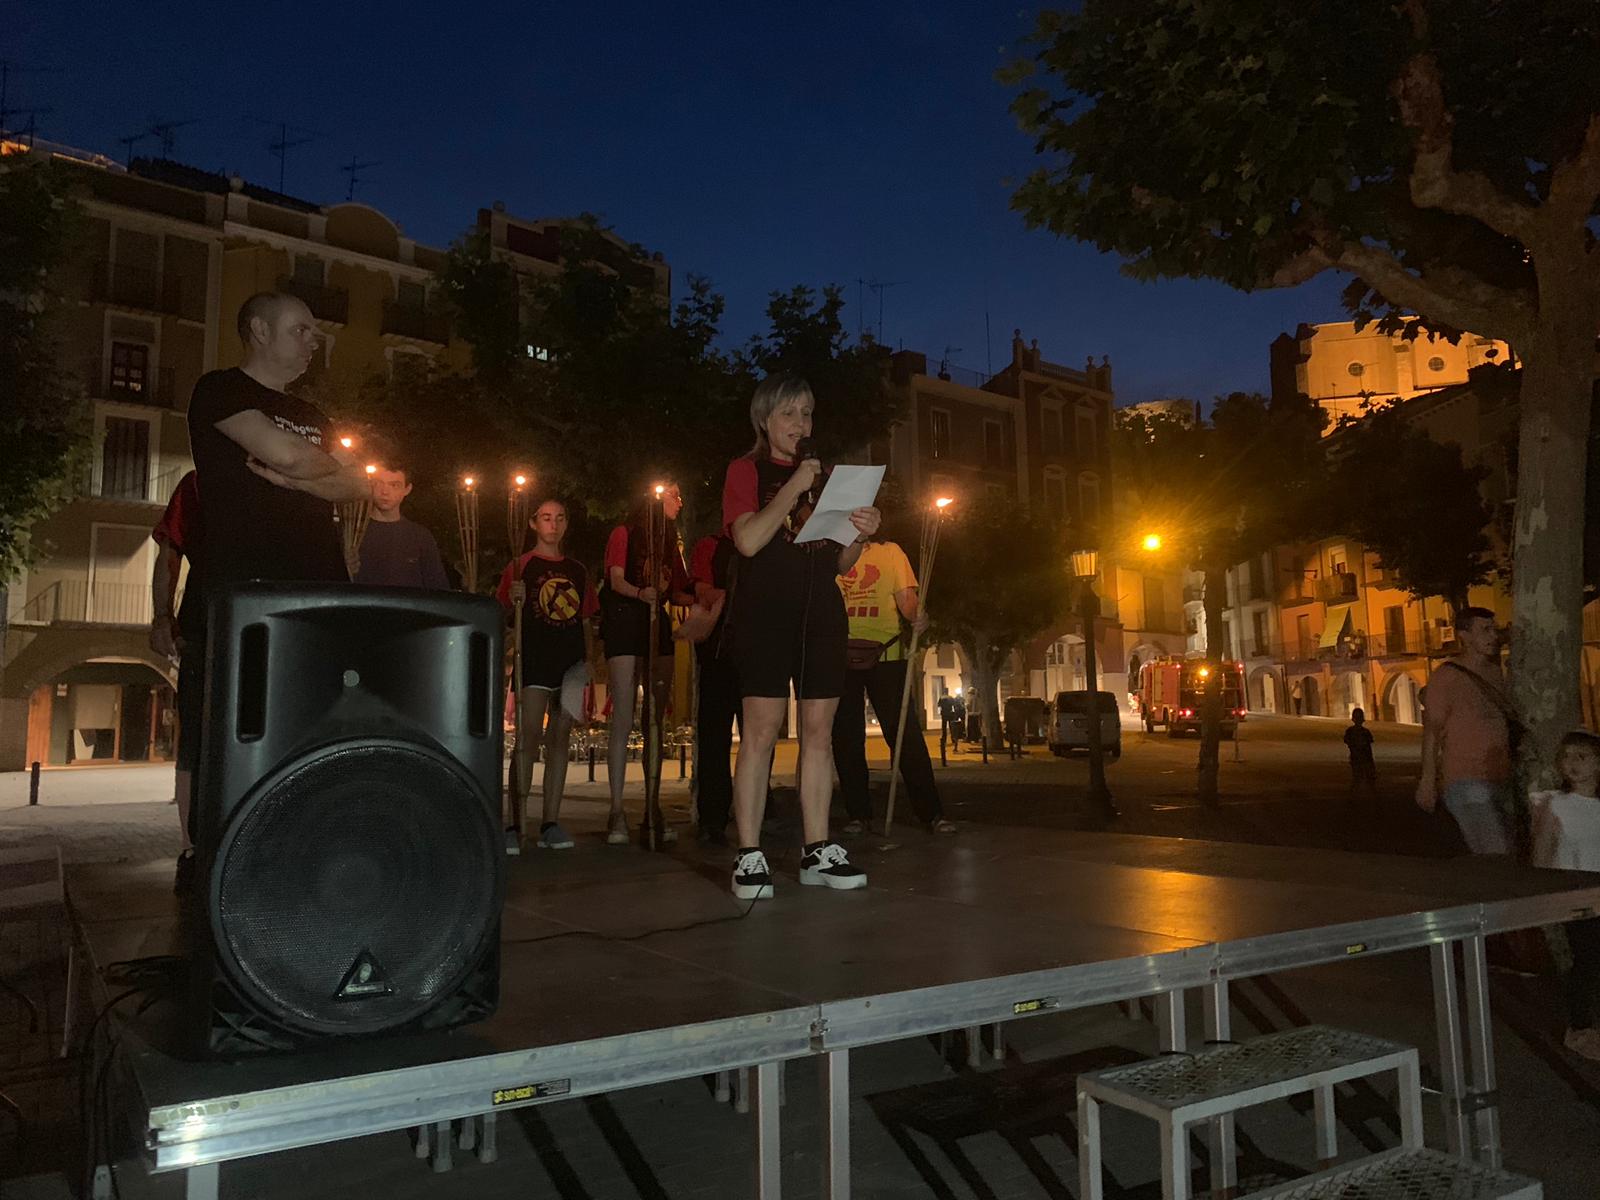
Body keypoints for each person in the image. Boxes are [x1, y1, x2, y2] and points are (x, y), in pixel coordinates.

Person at [721, 375, 880, 900]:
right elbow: (747, 540)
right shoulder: (746, 470)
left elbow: (838, 561)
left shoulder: (828, 478)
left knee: (818, 733)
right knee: (761, 732)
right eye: (789, 413)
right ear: (764, 420)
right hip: (765, 614)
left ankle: (818, 849)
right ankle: (749, 854)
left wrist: (860, 533)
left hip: (821, 614)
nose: (800, 424)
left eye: (807, 413)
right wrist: (794, 485)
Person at [188, 292, 369, 591]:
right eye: (300, 330)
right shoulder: (221, 388)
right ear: (261, 330)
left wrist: (296, 482)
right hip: (246, 582)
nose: (313, 343)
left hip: (320, 582)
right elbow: (288, 456)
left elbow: (360, 484)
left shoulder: (312, 414)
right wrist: (328, 471)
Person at [833, 534, 955, 835]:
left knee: (904, 734)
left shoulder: (890, 553)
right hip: (838, 653)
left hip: (886, 654)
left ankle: (931, 812)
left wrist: (916, 615)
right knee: (846, 737)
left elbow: (906, 598)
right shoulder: (832, 552)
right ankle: (858, 813)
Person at [497, 499, 597, 851]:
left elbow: (585, 619)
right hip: (534, 660)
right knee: (527, 738)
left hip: (569, 664)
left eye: (559, 518)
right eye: (546, 518)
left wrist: (588, 664)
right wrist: (514, 598)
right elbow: (503, 612)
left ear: (566, 523)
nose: (553, 524)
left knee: (560, 739)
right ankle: (515, 823)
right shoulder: (520, 566)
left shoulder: (578, 570)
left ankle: (550, 823)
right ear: (533, 523)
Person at [600, 485, 693, 845]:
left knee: (655, 718)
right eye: (673, 494)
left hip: (657, 624)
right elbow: (616, 578)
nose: (679, 502)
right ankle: (616, 808)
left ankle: (652, 805)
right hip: (626, 621)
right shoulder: (625, 533)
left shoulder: (670, 541)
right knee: (624, 716)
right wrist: (640, 593)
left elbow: (678, 589)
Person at [1415, 607, 1517, 854]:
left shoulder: (1495, 672)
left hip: (1500, 776)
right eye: (1485, 630)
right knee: (1495, 851)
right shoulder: (1447, 676)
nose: (1493, 636)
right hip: (1465, 778)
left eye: (1494, 629)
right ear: (1464, 635)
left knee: (1502, 852)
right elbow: (1432, 731)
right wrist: (1427, 781)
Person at [1529, 731, 1600, 1062]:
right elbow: (1542, 856)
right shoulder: (1556, 805)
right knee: (1586, 960)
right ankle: (1580, 1028)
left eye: (1581, 757)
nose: (1572, 764)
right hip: (1575, 897)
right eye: (1566, 757)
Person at [150, 470, 201, 893]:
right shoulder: (198, 484)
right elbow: (171, 549)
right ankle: (190, 846)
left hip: (271, 618)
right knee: (195, 738)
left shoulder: (290, 478)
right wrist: (161, 616)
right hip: (204, 623)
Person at [354, 463, 450, 589]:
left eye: (394, 485)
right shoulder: (354, 534)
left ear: (407, 489)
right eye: (378, 483)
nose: (385, 491)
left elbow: (437, 586)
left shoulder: (420, 536)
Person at [1343, 707, 1377, 803]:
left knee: (1359, 778)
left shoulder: (1351, 731)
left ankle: (1354, 798)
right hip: (1361, 758)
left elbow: (1348, 743)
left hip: (1359, 758)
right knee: (1363, 778)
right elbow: (1368, 746)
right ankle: (1372, 797)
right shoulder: (1364, 732)